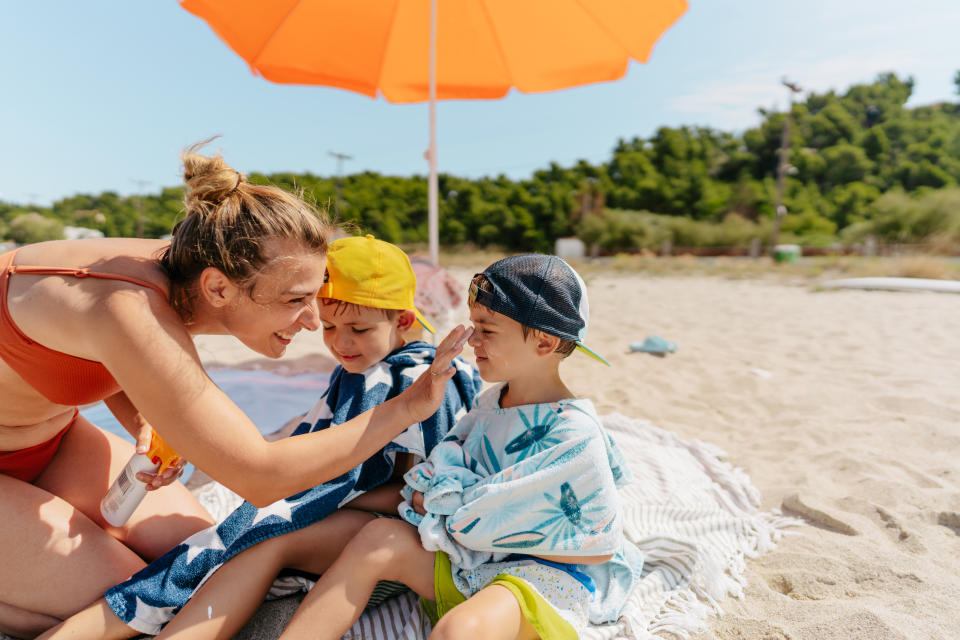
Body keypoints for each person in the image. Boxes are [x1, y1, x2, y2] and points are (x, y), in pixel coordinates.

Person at [0, 145, 470, 638]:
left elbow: (84, 353)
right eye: (296, 300)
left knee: (204, 563)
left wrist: (145, 421)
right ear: (219, 289)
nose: (312, 322)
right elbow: (259, 477)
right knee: (133, 601)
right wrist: (409, 406)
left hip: (53, 443)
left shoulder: (180, 266)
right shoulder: (127, 306)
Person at [274, 254, 643, 640]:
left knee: (459, 629)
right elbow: (442, 468)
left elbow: (596, 544)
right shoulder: (490, 403)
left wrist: (462, 512)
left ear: (544, 342)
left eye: (487, 330)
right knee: (377, 540)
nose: (472, 340)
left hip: (537, 582)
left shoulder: (575, 434)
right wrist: (447, 501)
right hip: (469, 563)